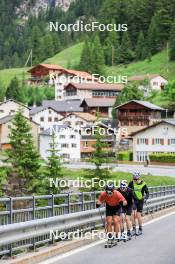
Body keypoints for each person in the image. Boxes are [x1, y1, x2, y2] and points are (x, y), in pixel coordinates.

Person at [128, 171, 149, 235]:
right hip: (133, 201)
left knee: (138, 215)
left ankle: (140, 229)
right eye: (134, 179)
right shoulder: (131, 183)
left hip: (140, 201)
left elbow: (147, 193)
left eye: (136, 179)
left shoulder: (143, 184)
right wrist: (130, 199)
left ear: (139, 177)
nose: (135, 180)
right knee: (132, 215)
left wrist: (145, 198)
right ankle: (134, 229)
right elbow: (128, 192)